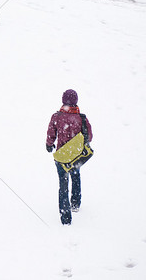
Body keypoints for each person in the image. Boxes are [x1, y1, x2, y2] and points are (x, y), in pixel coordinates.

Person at [46, 89, 92, 225]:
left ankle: (65, 218)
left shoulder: (56, 117)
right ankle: (76, 203)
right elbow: (89, 136)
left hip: (62, 157)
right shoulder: (81, 118)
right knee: (76, 176)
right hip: (76, 156)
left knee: (63, 184)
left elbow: (50, 134)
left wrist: (49, 144)